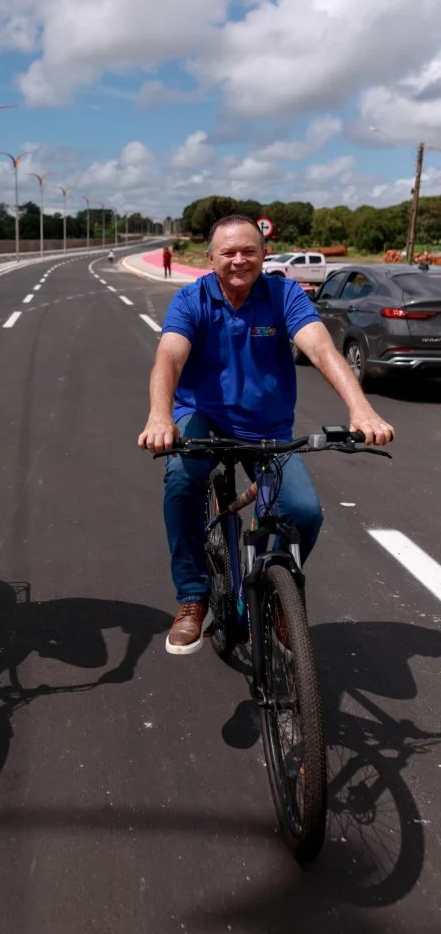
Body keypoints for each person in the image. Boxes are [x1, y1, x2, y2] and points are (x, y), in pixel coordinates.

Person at [137, 214, 394, 655]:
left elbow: (321, 349)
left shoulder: (284, 295)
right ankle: (193, 597)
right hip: (204, 417)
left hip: (267, 428)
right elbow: (169, 359)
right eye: (229, 253)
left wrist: (361, 408)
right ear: (211, 258)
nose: (239, 260)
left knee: (304, 512)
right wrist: (160, 417)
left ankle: (277, 593)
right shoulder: (191, 300)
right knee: (181, 480)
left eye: (249, 251)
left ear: (263, 255)